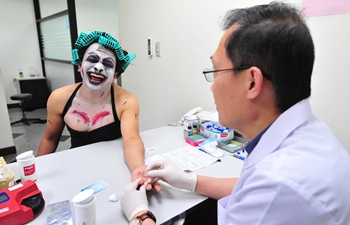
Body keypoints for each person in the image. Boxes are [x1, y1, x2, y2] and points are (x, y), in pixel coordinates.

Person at [120, 2, 350, 225]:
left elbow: (265, 191)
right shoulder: (309, 131)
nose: (212, 86)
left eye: (217, 71)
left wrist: (140, 216)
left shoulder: (279, 185)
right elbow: (248, 188)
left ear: (252, 82)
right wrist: (189, 181)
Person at [37, 31, 160, 191]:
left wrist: (138, 169)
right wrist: (35, 174)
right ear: (80, 66)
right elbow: (50, 139)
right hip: (76, 167)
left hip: (113, 167)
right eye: (92, 60)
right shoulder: (59, 98)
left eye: (108, 64)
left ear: (115, 74)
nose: (99, 67)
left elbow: (132, 140)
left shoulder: (126, 101)